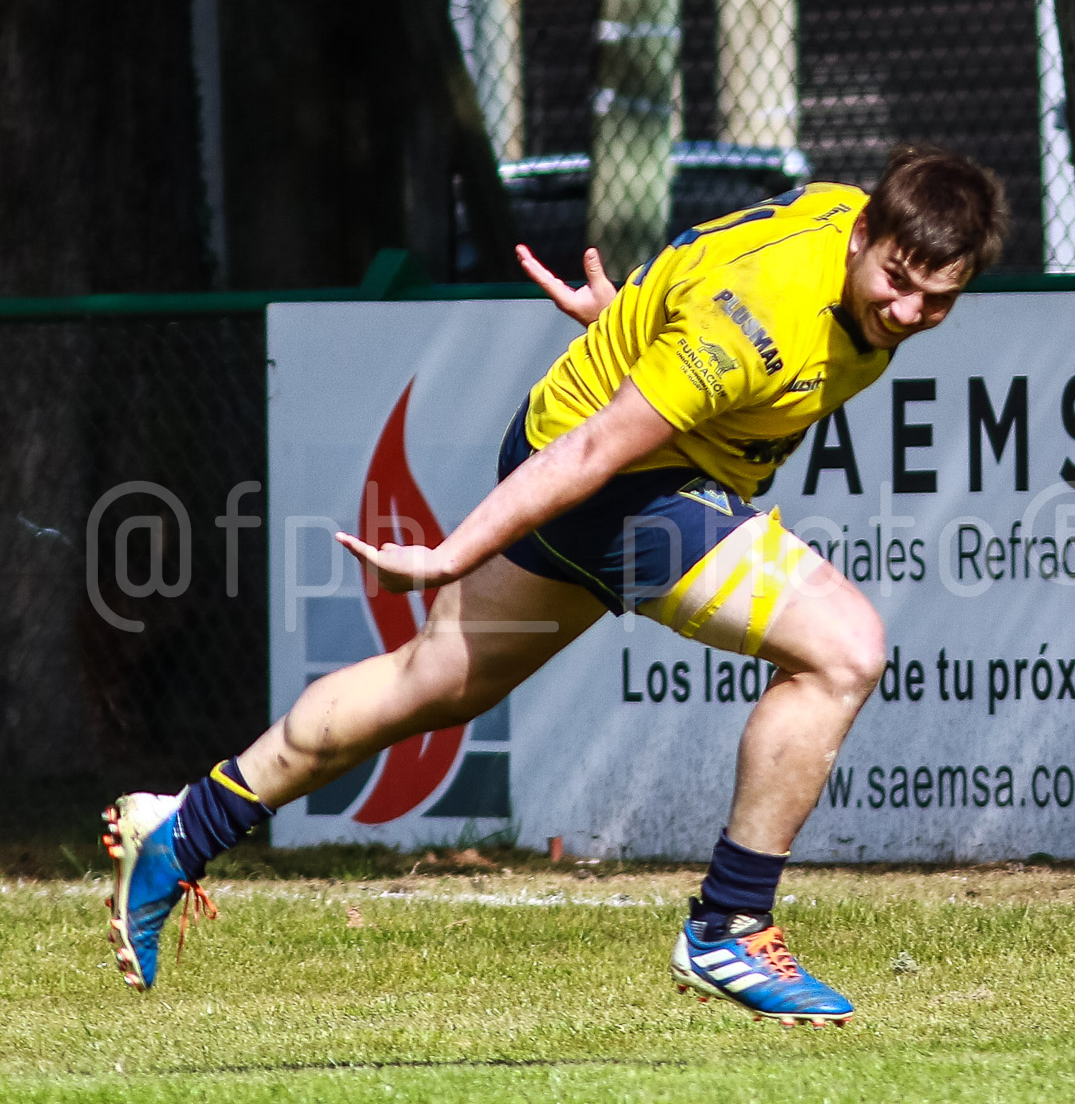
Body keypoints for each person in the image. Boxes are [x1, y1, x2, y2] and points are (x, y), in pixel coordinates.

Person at [103, 144, 1008, 1025]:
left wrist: (631, 325)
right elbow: (597, 450)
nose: (908, 310)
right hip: (611, 479)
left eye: (939, 298)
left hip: (594, 440)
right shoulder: (754, 327)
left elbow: (699, 278)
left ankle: (184, 829)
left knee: (432, 681)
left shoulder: (834, 218)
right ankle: (729, 925)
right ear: (863, 236)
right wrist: (450, 552)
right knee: (844, 650)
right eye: (897, 281)